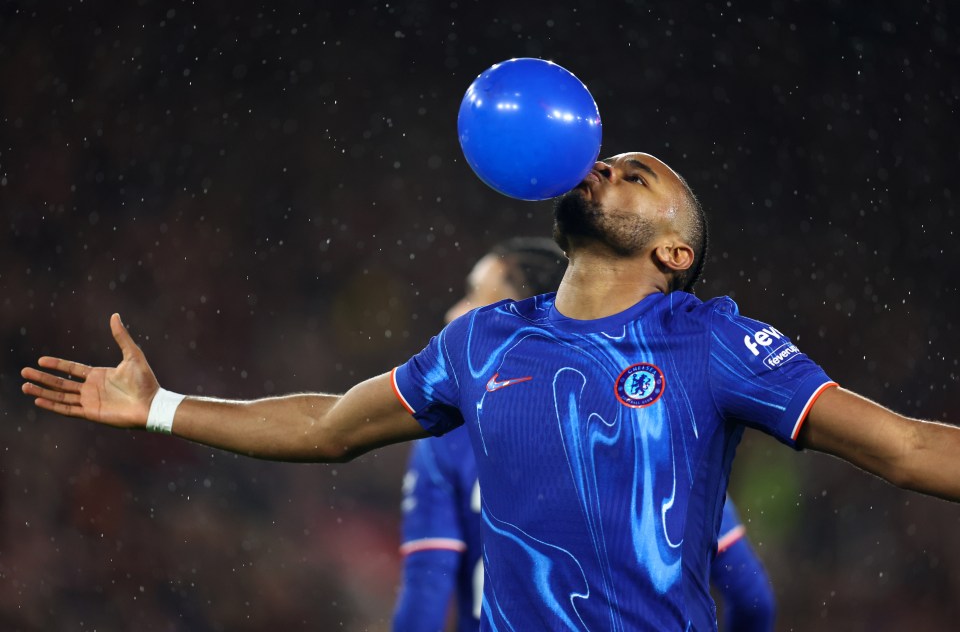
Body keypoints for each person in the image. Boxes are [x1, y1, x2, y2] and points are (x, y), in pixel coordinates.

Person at [21, 152, 960, 631]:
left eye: (637, 176)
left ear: (674, 253)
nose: (605, 167)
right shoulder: (480, 341)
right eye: (605, 161)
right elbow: (331, 426)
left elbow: (909, 449)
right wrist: (157, 406)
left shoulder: (712, 340)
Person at [391, 237, 775, 632]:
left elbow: (425, 597)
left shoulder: (448, 439)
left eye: (473, 296)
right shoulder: (656, 427)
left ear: (514, 317)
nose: (454, 312)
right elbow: (752, 598)